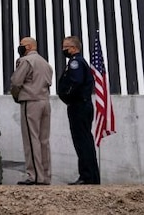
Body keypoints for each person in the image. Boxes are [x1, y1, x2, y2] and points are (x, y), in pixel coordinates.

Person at [9, 36, 53, 185]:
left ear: (28, 47)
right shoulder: (46, 63)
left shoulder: (26, 61)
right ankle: (45, 176)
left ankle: (34, 175)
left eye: (21, 44)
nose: (20, 47)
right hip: (45, 101)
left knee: (31, 139)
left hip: (31, 101)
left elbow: (16, 81)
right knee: (44, 140)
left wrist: (16, 95)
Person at [57, 35, 100, 185]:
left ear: (74, 48)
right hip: (82, 105)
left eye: (66, 47)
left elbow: (74, 83)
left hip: (79, 106)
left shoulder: (76, 62)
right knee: (86, 141)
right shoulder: (79, 62)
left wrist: (66, 95)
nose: (63, 50)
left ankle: (87, 176)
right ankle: (91, 176)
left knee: (82, 142)